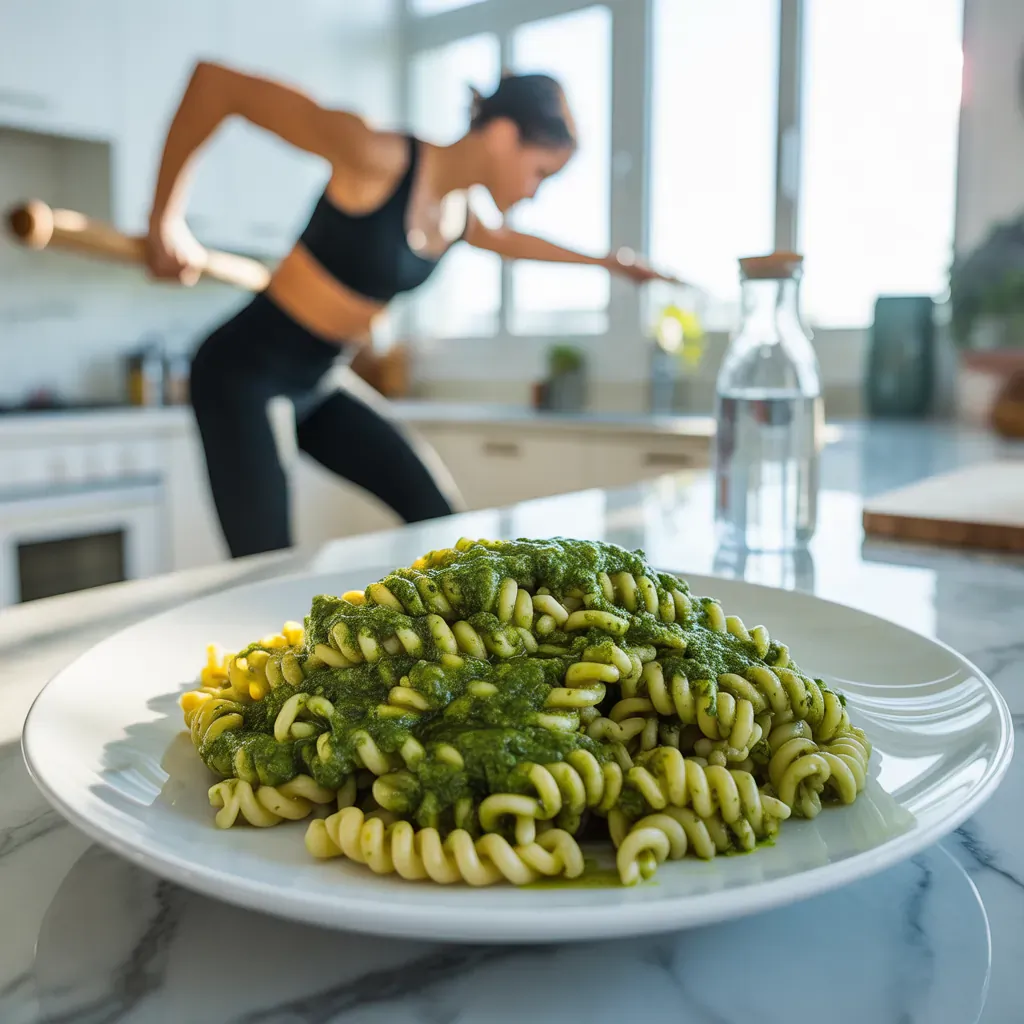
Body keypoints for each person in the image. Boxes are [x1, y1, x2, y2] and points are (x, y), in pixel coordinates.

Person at [145, 62, 675, 558]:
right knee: (269, 563)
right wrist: (165, 220)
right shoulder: (378, 155)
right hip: (243, 373)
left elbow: (512, 242)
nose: (535, 191)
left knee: (438, 514)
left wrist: (608, 263)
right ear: (504, 135)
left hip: (321, 380)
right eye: (540, 172)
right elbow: (217, 85)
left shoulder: (459, 213)